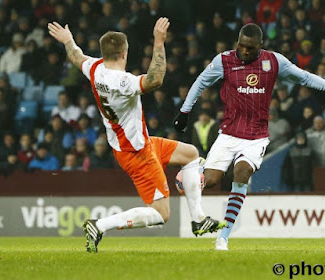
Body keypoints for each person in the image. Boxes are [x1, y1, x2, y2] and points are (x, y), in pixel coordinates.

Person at [48, 18, 226, 253]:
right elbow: (155, 79)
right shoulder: (123, 81)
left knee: (191, 154)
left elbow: (76, 56)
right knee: (162, 214)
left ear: (104, 53)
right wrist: (159, 41)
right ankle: (99, 225)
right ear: (124, 53)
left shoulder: (94, 69)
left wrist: (68, 40)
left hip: (137, 143)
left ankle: (199, 219)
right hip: (137, 152)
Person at [173, 23, 325, 251]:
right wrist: (184, 111)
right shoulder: (224, 61)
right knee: (209, 182)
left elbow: (305, 78)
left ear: (261, 45)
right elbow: (200, 82)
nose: (245, 51)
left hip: (256, 136)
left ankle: (223, 238)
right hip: (228, 133)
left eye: (250, 48)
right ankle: (195, 171)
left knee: (241, 172)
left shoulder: (274, 62)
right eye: (241, 46)